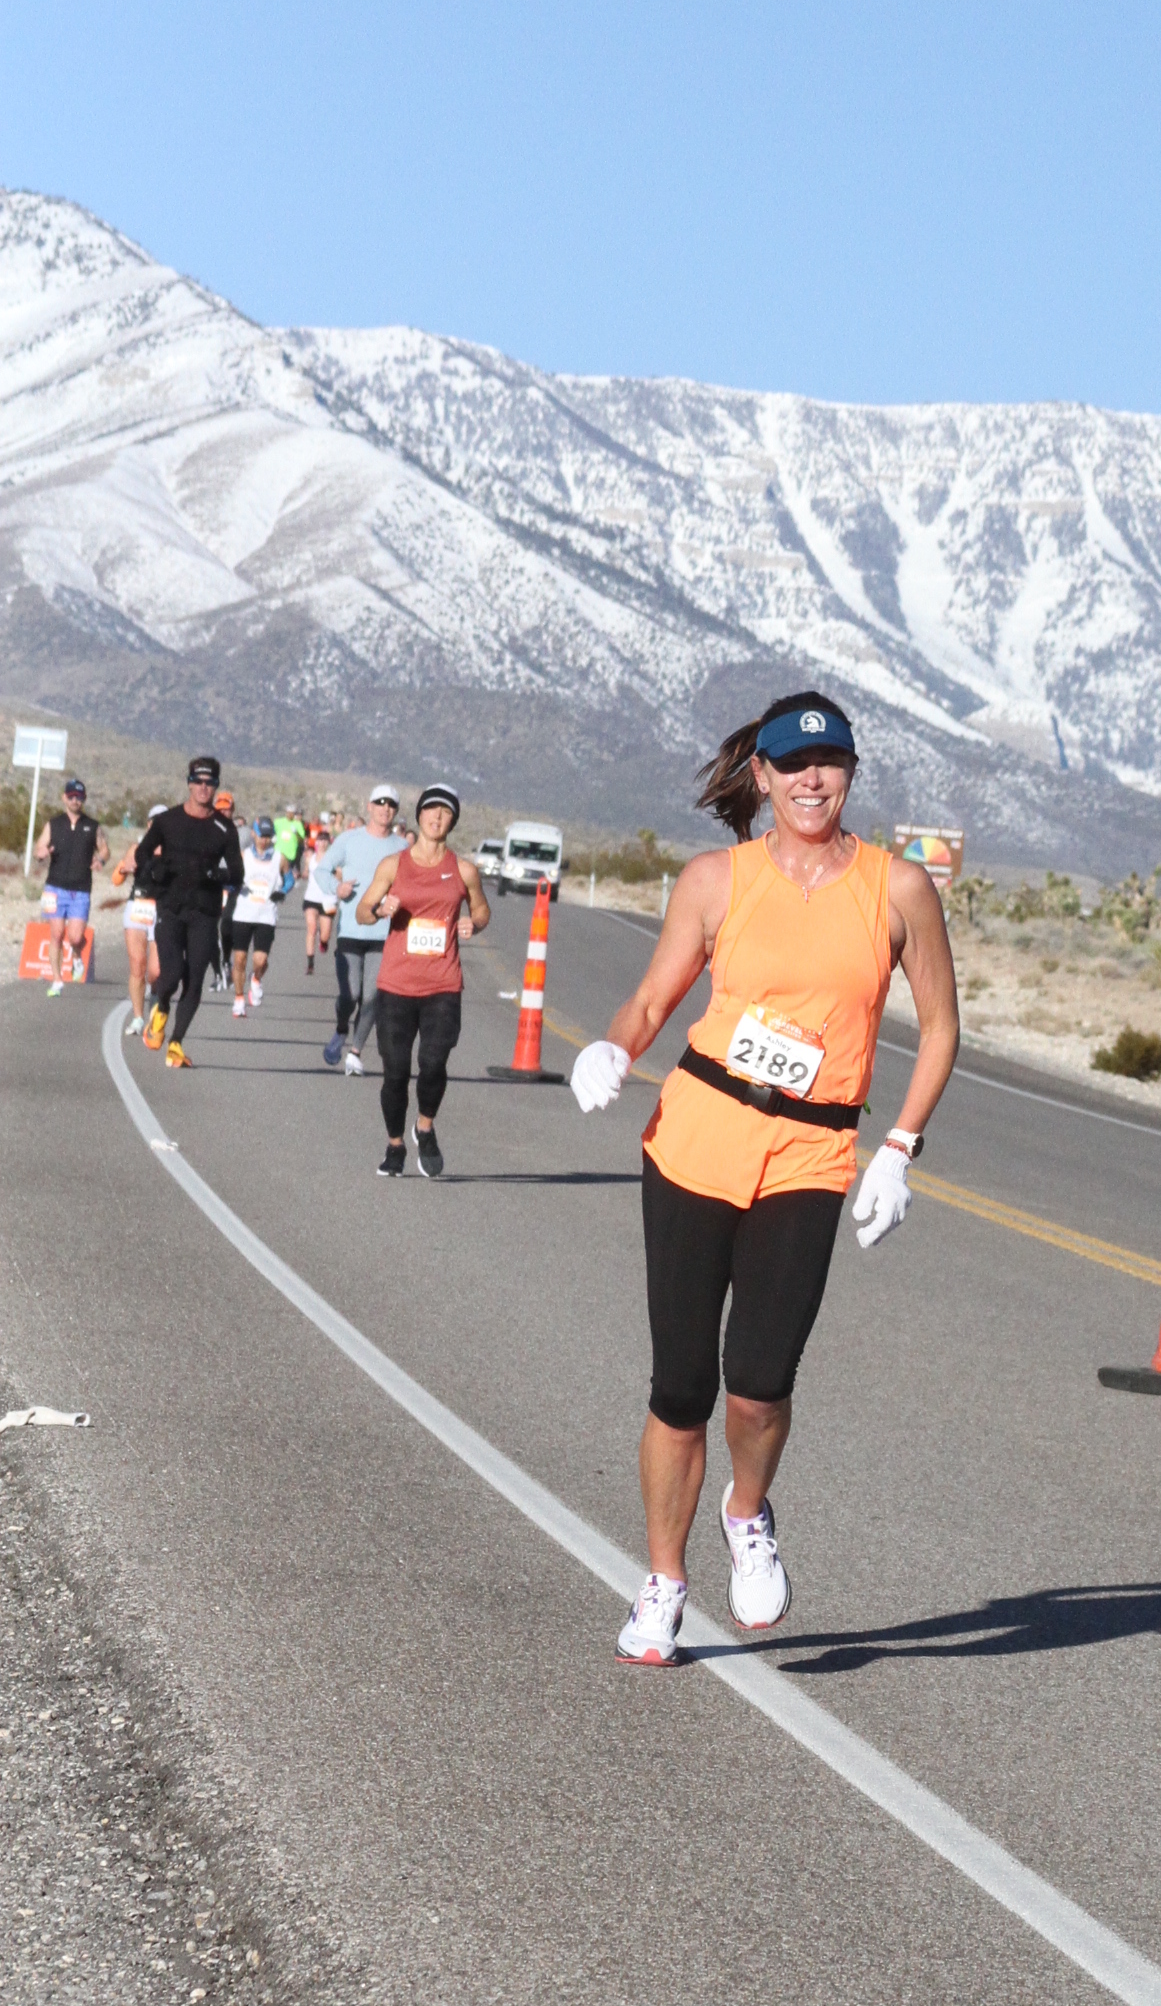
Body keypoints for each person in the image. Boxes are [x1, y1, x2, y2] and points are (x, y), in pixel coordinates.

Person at [570, 691, 960, 1664]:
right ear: (764, 775)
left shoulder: (899, 890)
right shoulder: (717, 879)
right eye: (793, 765)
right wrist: (613, 1049)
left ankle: (747, 1511)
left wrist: (899, 1148)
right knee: (681, 1386)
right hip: (696, 1136)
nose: (811, 781)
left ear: (851, 773)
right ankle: (663, 1582)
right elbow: (653, 997)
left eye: (829, 763)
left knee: (758, 1384)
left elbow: (941, 1029)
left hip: (812, 1154)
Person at [356, 786, 490, 1176]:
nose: (437, 817)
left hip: (443, 985)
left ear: (453, 821)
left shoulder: (464, 870)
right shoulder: (393, 866)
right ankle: (395, 1145)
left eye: (445, 812)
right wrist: (380, 909)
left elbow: (482, 910)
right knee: (395, 1071)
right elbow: (362, 911)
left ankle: (425, 1127)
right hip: (396, 985)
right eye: (431, 810)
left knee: (433, 1062)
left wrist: (473, 923)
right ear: (419, 816)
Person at [132, 760, 245, 1065]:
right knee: (170, 975)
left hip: (205, 913)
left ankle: (176, 1043)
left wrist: (215, 874)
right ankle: (161, 1008)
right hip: (170, 908)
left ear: (216, 786)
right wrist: (153, 867)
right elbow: (142, 852)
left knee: (194, 980)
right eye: (198, 781)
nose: (204, 788)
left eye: (210, 783)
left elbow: (237, 874)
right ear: (189, 783)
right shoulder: (167, 820)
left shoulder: (224, 828)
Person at [311, 790, 404, 1069]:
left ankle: (355, 1052)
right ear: (369, 806)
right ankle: (341, 1029)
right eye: (380, 803)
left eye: (391, 804)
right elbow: (322, 870)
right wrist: (337, 888)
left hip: (384, 933)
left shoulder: (402, 847)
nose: (385, 808)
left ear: (396, 811)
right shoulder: (349, 839)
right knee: (350, 995)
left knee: (372, 996)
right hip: (351, 930)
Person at [32, 776, 107, 992]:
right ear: (64, 798)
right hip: (54, 888)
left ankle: (76, 955)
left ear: (84, 799)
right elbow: (38, 848)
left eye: (79, 797)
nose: (75, 800)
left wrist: (100, 860)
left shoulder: (92, 826)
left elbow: (104, 849)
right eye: (72, 796)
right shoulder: (54, 824)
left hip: (80, 890)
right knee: (56, 934)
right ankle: (57, 979)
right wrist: (41, 853)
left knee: (75, 936)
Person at [228, 817, 295, 1013]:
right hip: (243, 914)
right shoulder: (243, 856)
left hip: (266, 915)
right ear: (253, 834)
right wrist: (232, 886)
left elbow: (290, 880)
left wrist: (282, 891)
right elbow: (231, 878)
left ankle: (256, 978)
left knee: (261, 960)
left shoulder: (280, 858)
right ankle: (239, 999)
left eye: (267, 836)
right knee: (239, 959)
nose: (264, 840)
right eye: (260, 836)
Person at [110, 806, 167, 1030]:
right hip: (137, 906)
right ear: (149, 824)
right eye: (155, 820)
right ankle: (137, 1017)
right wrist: (124, 868)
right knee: (137, 965)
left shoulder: (175, 850)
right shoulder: (137, 848)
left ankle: (155, 998)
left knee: (156, 971)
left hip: (161, 910)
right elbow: (116, 879)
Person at [303, 813, 338, 973]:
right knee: (311, 928)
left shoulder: (334, 859)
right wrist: (303, 873)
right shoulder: (310, 857)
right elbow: (306, 871)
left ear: (329, 843)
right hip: (311, 898)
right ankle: (310, 963)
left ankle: (323, 942)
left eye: (325, 841)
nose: (322, 843)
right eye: (320, 840)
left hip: (328, 899)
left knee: (325, 934)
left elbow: (340, 875)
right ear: (316, 842)